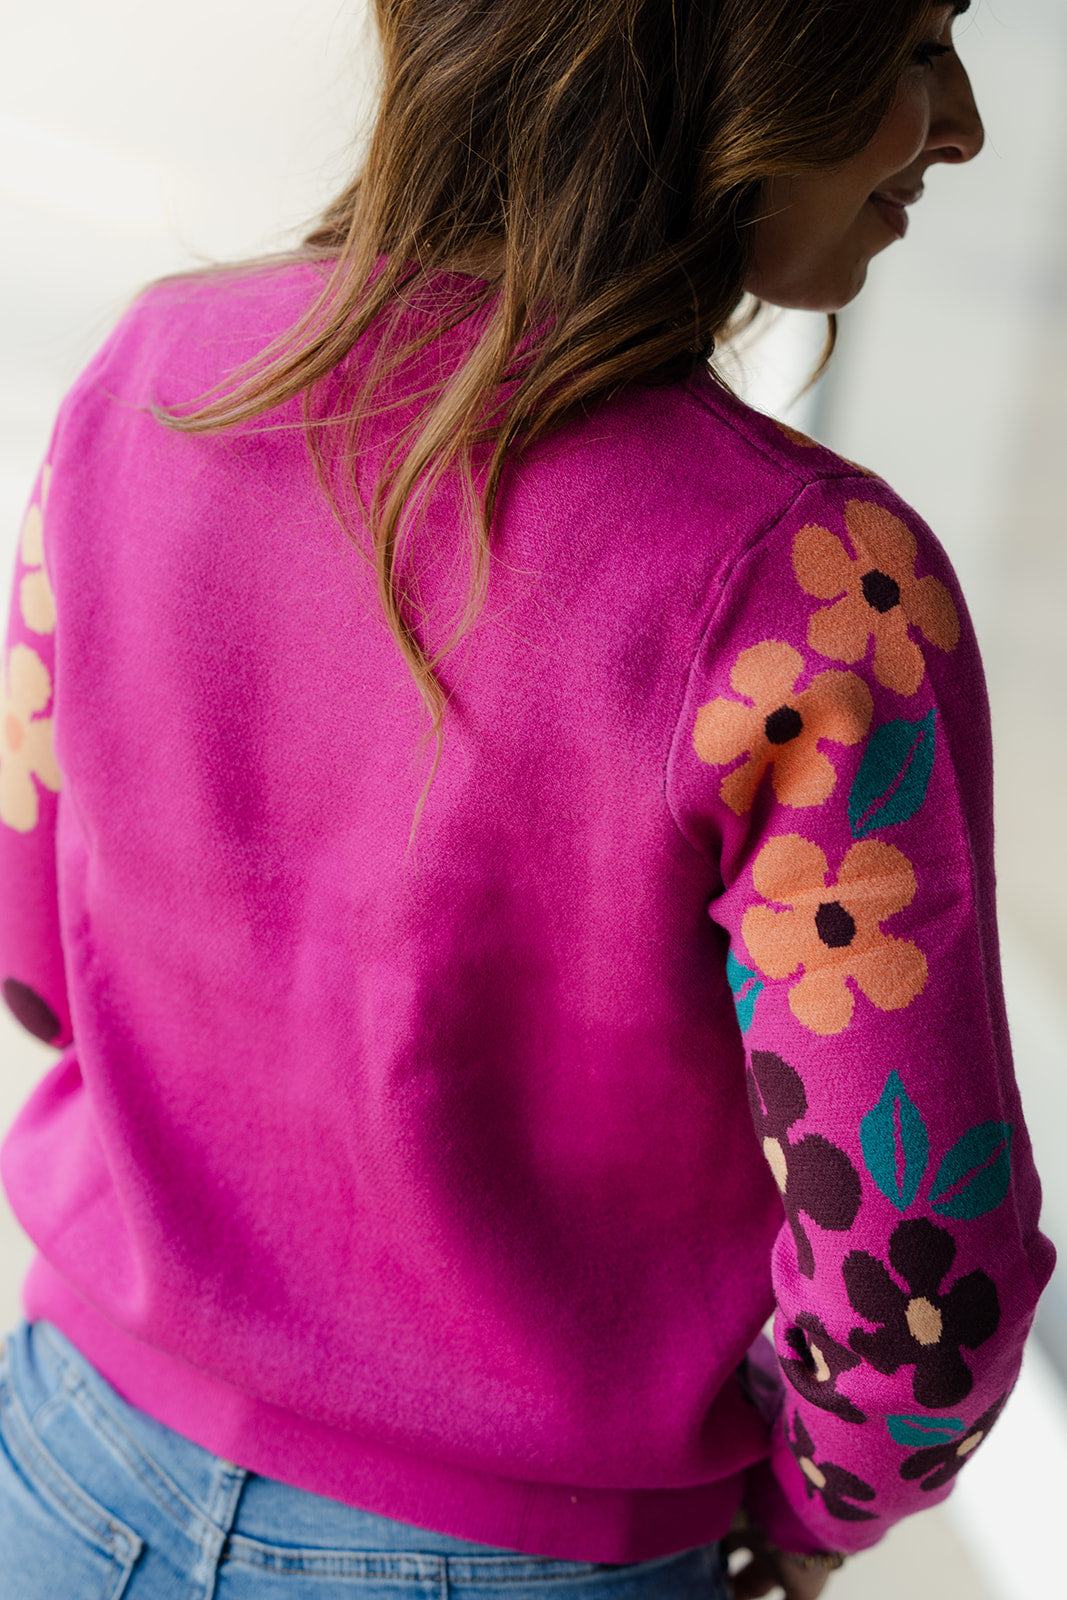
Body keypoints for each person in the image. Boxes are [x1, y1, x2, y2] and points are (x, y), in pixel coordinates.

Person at [0, 1, 1053, 1596]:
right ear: (730, 54)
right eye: (913, 44)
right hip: (523, 1556)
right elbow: (924, 1283)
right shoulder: (820, 591)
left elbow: (37, 965)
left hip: (68, 1470)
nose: (962, 124)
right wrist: (812, 1518)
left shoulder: (151, 372)